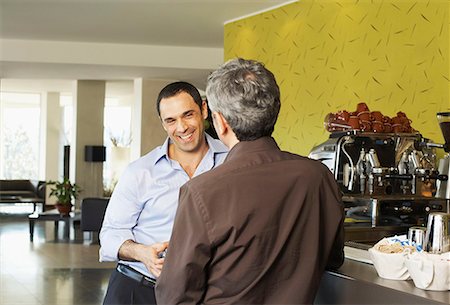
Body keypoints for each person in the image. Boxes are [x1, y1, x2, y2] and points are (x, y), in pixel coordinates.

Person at [155, 59, 345, 304]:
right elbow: (332, 258)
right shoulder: (318, 176)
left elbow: (174, 295)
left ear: (220, 121)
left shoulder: (201, 191)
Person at [99, 81, 228, 305]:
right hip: (136, 290)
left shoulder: (231, 162)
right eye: (171, 120)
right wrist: (142, 253)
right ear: (163, 123)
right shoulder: (140, 172)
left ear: (204, 110)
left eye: (188, 115)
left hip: (206, 293)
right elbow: (110, 235)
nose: (181, 127)